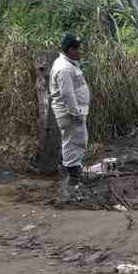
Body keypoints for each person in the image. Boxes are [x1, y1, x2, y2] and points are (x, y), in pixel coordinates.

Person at [50, 33, 91, 189]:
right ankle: (73, 178)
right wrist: (76, 114)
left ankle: (75, 174)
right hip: (70, 113)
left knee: (77, 141)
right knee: (73, 142)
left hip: (73, 112)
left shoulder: (68, 64)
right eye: (77, 49)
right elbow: (67, 94)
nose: (79, 52)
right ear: (70, 49)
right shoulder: (64, 68)